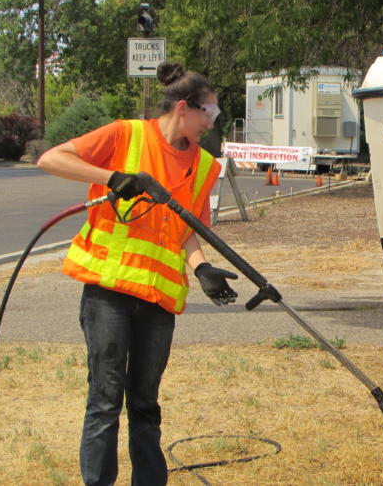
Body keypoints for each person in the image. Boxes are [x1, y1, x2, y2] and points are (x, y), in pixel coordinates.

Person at [37, 62, 239, 485]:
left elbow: (189, 231)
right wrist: (112, 177)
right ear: (184, 108)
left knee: (145, 403)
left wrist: (203, 269)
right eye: (211, 113)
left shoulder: (203, 166)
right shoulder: (125, 135)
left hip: (157, 302)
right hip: (108, 294)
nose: (213, 123)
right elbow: (51, 159)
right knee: (105, 399)